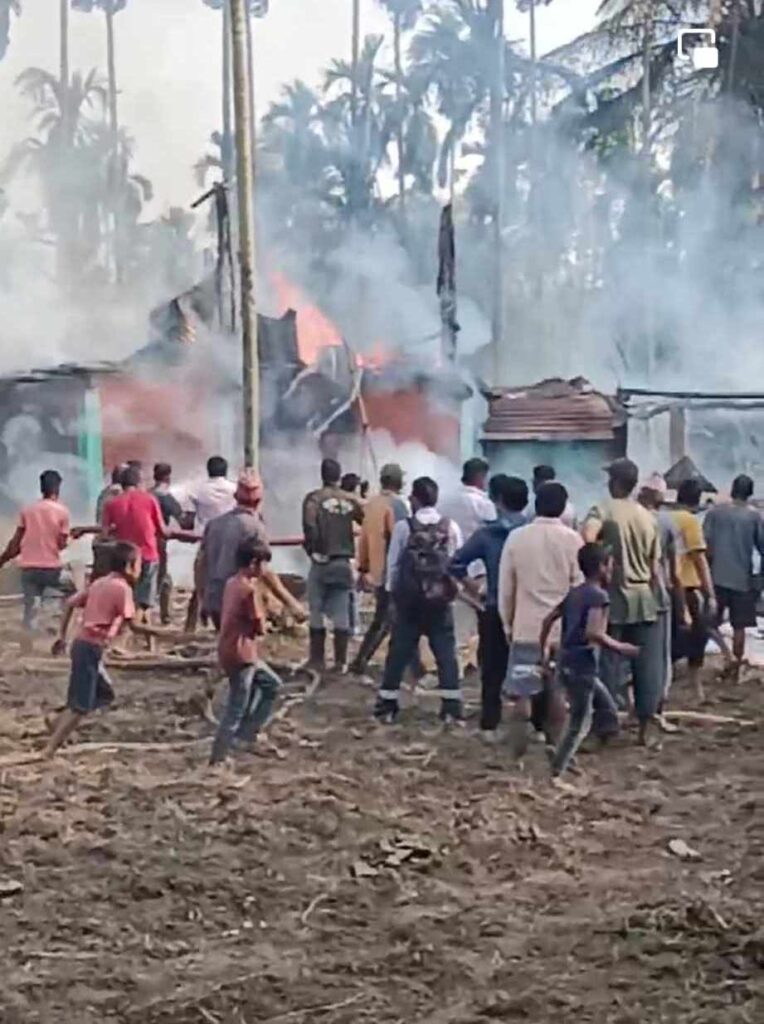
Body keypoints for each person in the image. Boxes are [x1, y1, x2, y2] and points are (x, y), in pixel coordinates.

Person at [45, 541, 170, 757]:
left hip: (83, 645)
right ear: (130, 566)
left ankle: (57, 720)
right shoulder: (123, 589)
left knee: (105, 694)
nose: (141, 570)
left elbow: (70, 604)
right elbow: (135, 625)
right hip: (90, 648)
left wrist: (62, 637)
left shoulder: (100, 582)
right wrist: (165, 633)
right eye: (139, 565)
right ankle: (50, 749)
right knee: (81, 707)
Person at [583, 458, 662, 745]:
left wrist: (600, 566)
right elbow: (655, 568)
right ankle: (646, 725)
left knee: (606, 664)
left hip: (613, 595)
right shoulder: (647, 517)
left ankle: (605, 725)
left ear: (615, 482)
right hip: (643, 596)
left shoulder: (603, 509)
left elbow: (588, 537)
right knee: (646, 666)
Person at [499, 482, 582, 757]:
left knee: (521, 693)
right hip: (561, 632)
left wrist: (508, 623)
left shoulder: (517, 538)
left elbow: (506, 588)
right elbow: (578, 588)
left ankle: (518, 754)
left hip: (526, 628)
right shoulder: (573, 540)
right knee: (557, 691)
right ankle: (554, 747)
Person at [373, 476, 463, 724]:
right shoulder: (450, 527)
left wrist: (392, 597)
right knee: (445, 654)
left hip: (409, 602)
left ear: (415, 498)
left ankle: (387, 705)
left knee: (399, 652)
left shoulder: (404, 527)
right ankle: (451, 707)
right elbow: (457, 563)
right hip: (440, 602)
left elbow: (393, 564)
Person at [539, 544, 633, 779]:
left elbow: (548, 619)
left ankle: (564, 754)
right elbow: (594, 632)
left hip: (566, 659)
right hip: (583, 663)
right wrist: (622, 648)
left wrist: (543, 650)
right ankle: (557, 769)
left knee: (607, 708)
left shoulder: (575, 592)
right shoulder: (599, 597)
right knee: (580, 722)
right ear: (602, 568)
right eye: (610, 564)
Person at [450, 474, 528, 740]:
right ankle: (537, 724)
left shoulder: (488, 535)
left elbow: (455, 564)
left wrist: (474, 588)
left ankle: (490, 724)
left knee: (492, 670)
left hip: (496, 608)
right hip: (531, 611)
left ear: (498, 500)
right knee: (533, 666)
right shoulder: (531, 531)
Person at [210, 537, 282, 765]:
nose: (265, 569)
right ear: (254, 563)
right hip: (243, 653)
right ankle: (218, 758)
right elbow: (259, 625)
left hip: (229, 648)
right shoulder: (249, 590)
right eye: (263, 564)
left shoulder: (232, 583)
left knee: (272, 684)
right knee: (236, 706)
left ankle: (247, 733)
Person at [202, 469, 302, 629]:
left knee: (224, 643)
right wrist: (292, 603)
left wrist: (203, 599)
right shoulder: (255, 527)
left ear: (235, 497)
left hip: (214, 599)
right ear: (259, 500)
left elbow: (202, 564)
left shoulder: (214, 524)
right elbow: (263, 571)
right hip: (241, 601)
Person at [349, 463, 411, 680]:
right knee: (390, 621)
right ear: (397, 481)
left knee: (394, 620)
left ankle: (411, 667)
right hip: (394, 573)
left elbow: (364, 538)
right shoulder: (397, 505)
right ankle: (360, 663)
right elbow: (403, 539)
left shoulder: (372, 505)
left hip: (377, 571)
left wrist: (363, 567)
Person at [302, 458, 364, 674]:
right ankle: (340, 663)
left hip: (321, 560)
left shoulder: (314, 499)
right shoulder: (351, 500)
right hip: (343, 562)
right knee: (341, 614)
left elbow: (309, 526)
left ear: (322, 475)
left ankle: (317, 660)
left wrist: (312, 550)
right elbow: (366, 518)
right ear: (339, 476)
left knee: (316, 611)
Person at [0, 469, 72, 648]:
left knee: (31, 607)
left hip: (29, 568)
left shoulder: (28, 510)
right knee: (73, 594)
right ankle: (62, 632)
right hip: (52, 569)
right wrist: (69, 540)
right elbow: (62, 544)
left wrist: (2, 560)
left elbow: (16, 543)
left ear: (41, 488)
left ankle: (28, 645)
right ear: (58, 488)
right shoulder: (62, 512)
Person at [704, 473, 764, 678]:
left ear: (732, 490)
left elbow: (706, 546)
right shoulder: (754, 516)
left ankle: (726, 655)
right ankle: (736, 664)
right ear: (749, 493)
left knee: (709, 623)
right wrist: (760, 578)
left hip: (715, 578)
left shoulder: (715, 513)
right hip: (742, 580)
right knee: (739, 626)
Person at [672, 478, 725, 701]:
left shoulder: (664, 517)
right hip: (689, 588)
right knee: (697, 638)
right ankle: (697, 690)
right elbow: (699, 559)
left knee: (671, 638)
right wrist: (710, 593)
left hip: (669, 587)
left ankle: (666, 687)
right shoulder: (690, 521)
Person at [638, 473, 683, 726]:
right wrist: (684, 606)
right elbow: (674, 572)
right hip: (657, 594)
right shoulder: (666, 523)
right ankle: (656, 708)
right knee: (659, 656)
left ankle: (627, 703)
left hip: (627, 592)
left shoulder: (627, 517)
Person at [102, 464, 166, 629]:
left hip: (124, 557)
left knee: (129, 598)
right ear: (138, 482)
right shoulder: (150, 499)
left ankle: (149, 645)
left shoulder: (111, 503)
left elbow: (105, 534)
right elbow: (162, 531)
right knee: (144, 603)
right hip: (148, 555)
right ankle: (125, 639)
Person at [184, 456, 237, 632]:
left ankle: (191, 627)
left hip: (207, 542)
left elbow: (188, 520)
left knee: (201, 582)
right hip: (232, 541)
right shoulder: (234, 490)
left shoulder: (197, 490)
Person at [151, 462, 185, 625]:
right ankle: (164, 616)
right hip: (158, 543)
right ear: (168, 477)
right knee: (163, 579)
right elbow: (183, 520)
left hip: (140, 542)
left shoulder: (147, 493)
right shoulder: (166, 497)